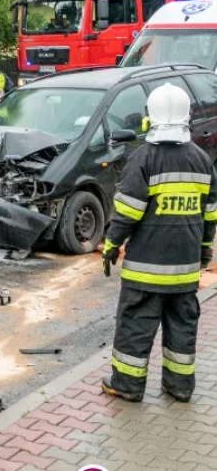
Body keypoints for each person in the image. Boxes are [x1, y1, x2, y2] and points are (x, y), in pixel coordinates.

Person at [101, 83, 217, 404]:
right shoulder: (202, 161)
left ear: (151, 117)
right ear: (186, 117)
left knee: (135, 328)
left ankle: (127, 385)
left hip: (145, 274)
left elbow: (126, 213)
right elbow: (211, 215)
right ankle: (179, 387)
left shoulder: (143, 159)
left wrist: (112, 245)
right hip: (184, 273)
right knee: (182, 329)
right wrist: (205, 249)